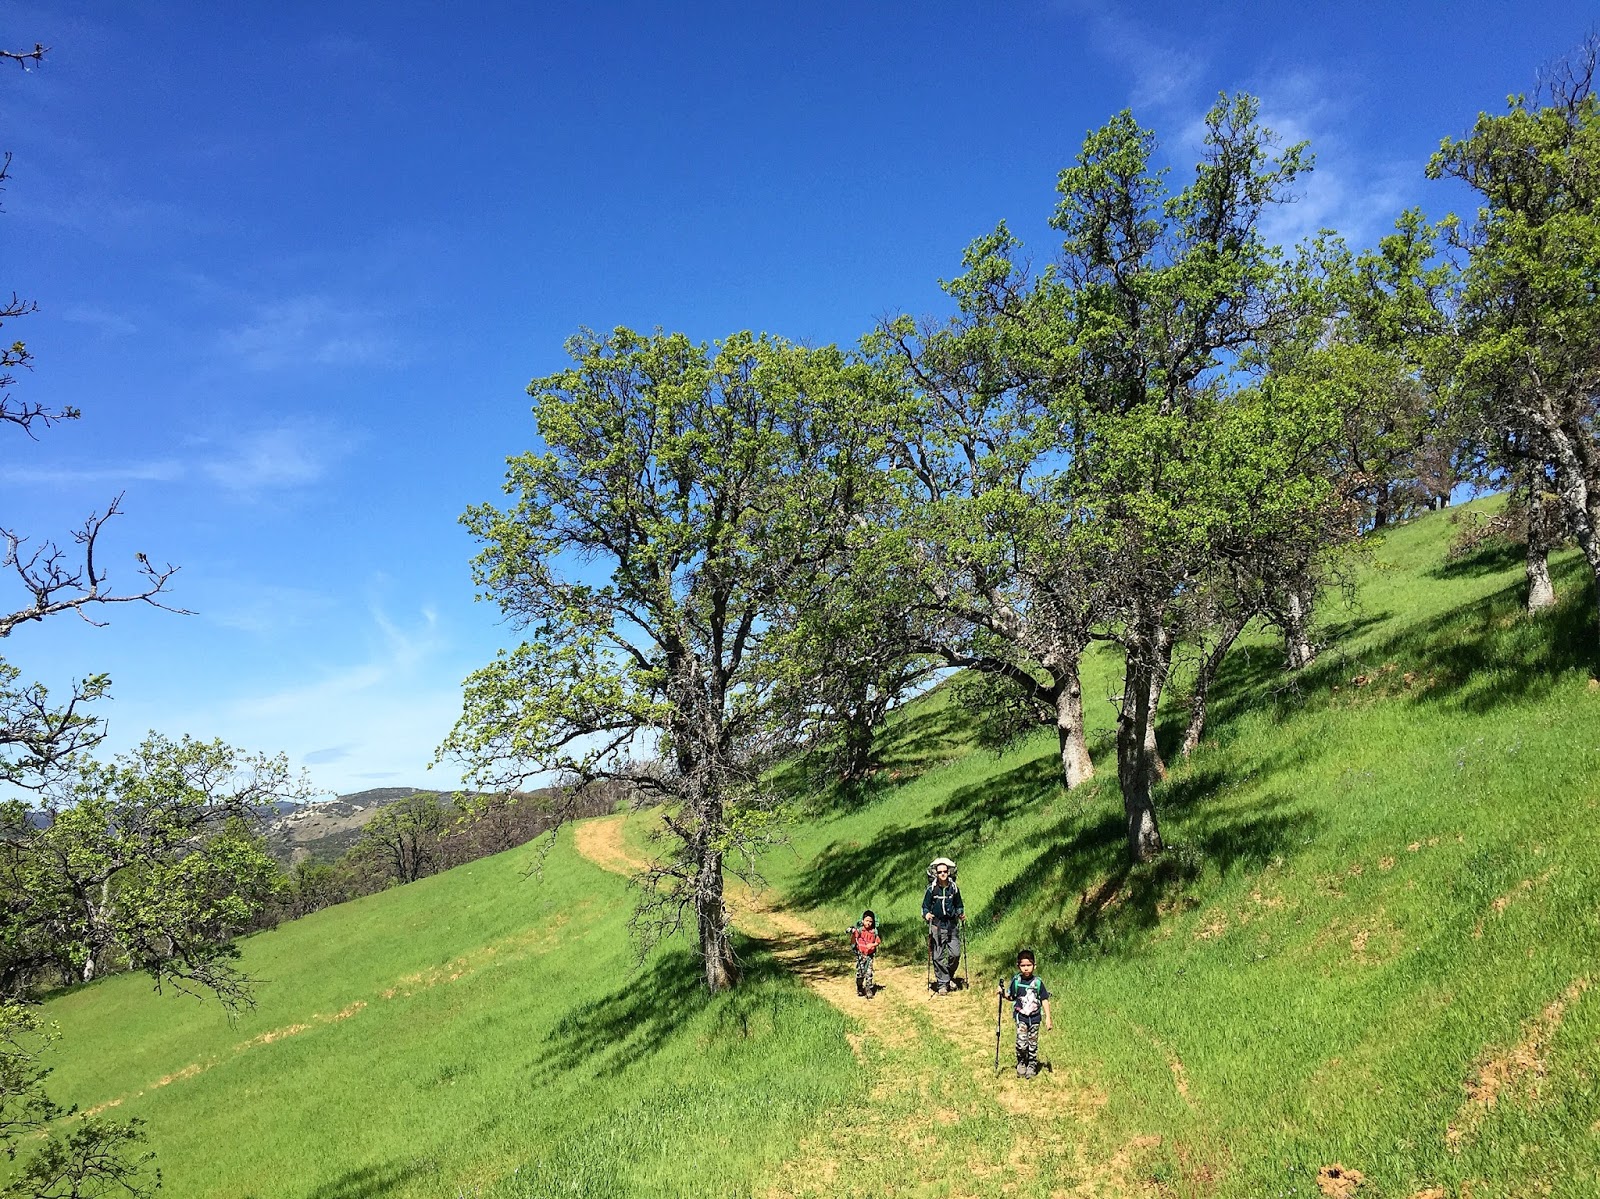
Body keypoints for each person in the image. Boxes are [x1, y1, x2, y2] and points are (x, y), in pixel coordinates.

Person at [999, 948, 1052, 1078]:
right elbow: (1011, 997)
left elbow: (1044, 1000)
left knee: (1032, 1043)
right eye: (1023, 966)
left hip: (1034, 1018)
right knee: (1021, 1042)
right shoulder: (1016, 981)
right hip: (1021, 1016)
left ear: (1034, 965)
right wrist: (1002, 993)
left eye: (1029, 965)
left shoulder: (1038, 983)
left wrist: (1048, 1018)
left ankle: (1032, 1064)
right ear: (1018, 966)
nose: (1026, 968)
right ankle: (1021, 1061)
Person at [921, 858, 964, 994]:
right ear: (936, 874)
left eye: (945, 871)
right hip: (937, 926)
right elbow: (925, 907)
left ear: (949, 872)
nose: (943, 874)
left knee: (955, 954)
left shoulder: (954, 888)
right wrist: (927, 915)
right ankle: (942, 984)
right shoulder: (931, 889)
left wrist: (960, 913)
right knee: (937, 956)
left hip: (952, 925)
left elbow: (959, 905)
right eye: (940, 872)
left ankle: (947, 976)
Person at [848, 909, 880, 998]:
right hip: (860, 955)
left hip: (869, 956)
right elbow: (854, 937)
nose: (868, 923)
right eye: (866, 921)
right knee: (860, 973)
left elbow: (878, 942)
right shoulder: (860, 930)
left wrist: (872, 945)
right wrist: (853, 931)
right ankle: (859, 987)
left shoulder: (874, 932)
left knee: (869, 973)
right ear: (862, 921)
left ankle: (868, 989)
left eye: (870, 921)